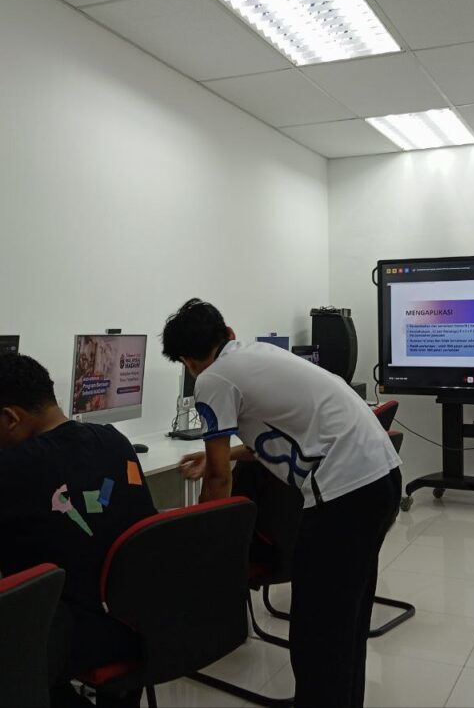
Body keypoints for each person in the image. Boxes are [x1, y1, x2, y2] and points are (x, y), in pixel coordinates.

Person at [162, 299, 401, 708]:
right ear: (229, 334)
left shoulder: (212, 379)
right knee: (346, 623)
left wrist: (207, 547)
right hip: (381, 478)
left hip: (343, 496)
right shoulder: (261, 354)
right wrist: (219, 456)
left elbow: (219, 479)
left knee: (316, 634)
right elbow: (278, 435)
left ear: (187, 361)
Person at [0, 353, 156, 708]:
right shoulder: (115, 440)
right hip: (144, 618)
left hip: (77, 636)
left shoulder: (1, 473)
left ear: (11, 418)